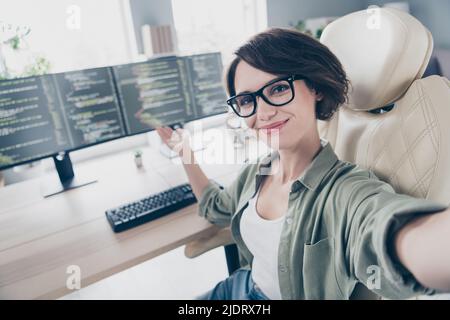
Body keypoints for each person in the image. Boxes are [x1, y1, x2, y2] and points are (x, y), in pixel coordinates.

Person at [156, 28, 450, 300]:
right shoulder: (258, 171)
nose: (264, 112)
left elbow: (391, 230)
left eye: (279, 89)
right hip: (240, 288)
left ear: (316, 87)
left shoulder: (344, 192)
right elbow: (214, 205)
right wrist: (185, 152)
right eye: (247, 101)